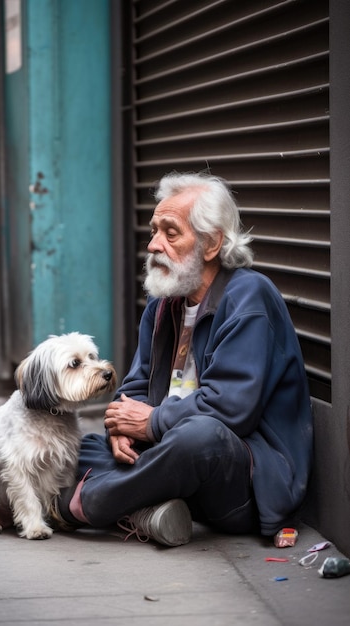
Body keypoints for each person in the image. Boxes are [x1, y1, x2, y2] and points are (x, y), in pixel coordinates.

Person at [53, 171, 313, 547]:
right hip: (169, 457)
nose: (154, 245)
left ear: (210, 244)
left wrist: (151, 422)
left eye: (170, 233)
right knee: (74, 445)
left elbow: (230, 410)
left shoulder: (249, 297)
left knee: (200, 436)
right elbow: (134, 389)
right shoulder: (163, 302)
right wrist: (121, 429)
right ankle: (149, 511)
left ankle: (87, 503)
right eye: (154, 230)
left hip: (243, 484)